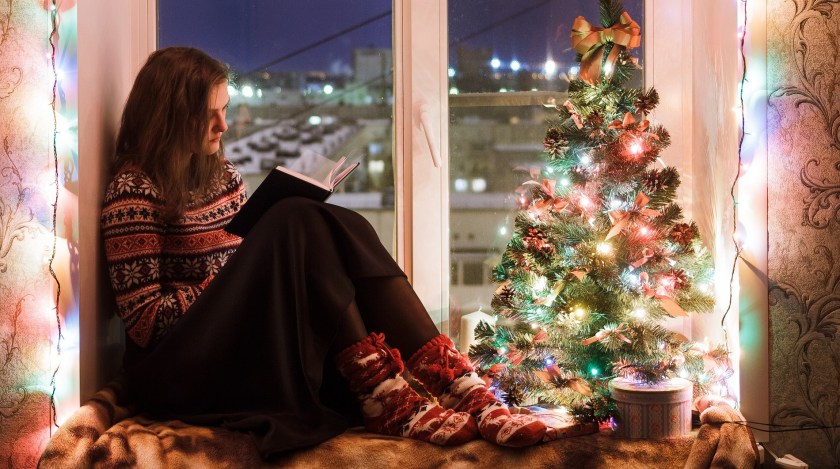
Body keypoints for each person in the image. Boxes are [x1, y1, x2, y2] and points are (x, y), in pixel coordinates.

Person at [101, 46, 547, 458]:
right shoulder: (133, 191)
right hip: (176, 370)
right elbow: (145, 326)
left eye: (225, 111)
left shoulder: (223, 176)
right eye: (209, 115)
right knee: (294, 217)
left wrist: (246, 273)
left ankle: (443, 383)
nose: (224, 126)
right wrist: (233, 278)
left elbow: (238, 267)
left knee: (310, 222)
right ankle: (395, 392)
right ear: (172, 118)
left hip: (230, 337)